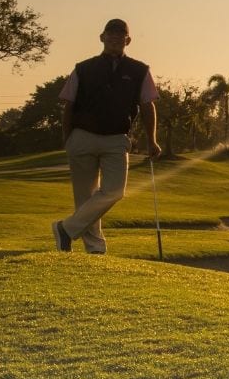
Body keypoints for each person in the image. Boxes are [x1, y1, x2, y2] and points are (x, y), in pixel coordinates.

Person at [52, 18, 161, 254]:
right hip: (82, 137)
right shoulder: (83, 68)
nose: (115, 38)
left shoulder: (139, 70)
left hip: (116, 138)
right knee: (85, 197)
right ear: (102, 38)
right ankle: (94, 248)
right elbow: (68, 105)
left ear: (128, 40)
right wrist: (67, 137)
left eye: (120, 35)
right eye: (110, 34)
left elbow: (147, 105)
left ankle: (65, 229)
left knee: (114, 191)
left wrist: (152, 140)